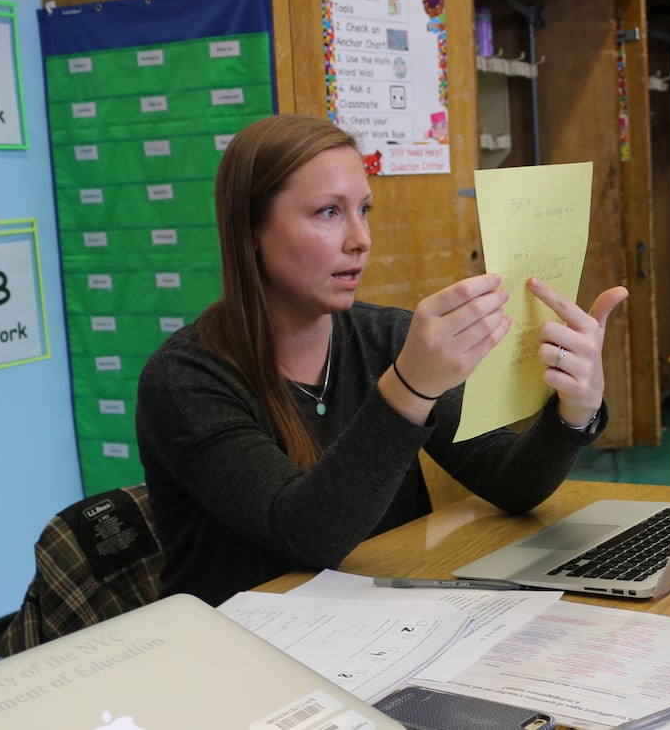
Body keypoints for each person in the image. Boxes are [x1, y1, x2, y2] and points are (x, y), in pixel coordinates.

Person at [136, 115, 629, 605]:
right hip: (244, 654)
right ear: (251, 230)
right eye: (328, 212)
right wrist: (408, 389)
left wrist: (574, 410)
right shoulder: (184, 382)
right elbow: (309, 535)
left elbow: (509, 480)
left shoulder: (385, 336)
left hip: (381, 631)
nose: (360, 239)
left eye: (363, 210)